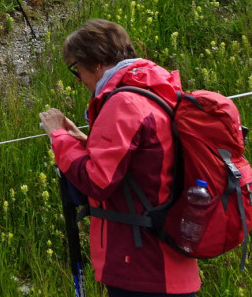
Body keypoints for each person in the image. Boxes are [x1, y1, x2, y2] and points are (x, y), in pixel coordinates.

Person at [40, 20, 200, 297]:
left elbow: (97, 182)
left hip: (142, 266)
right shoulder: (155, 90)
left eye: (76, 68)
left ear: (98, 62)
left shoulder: (123, 102)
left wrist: (58, 137)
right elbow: (140, 166)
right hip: (170, 257)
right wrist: (85, 141)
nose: (78, 79)